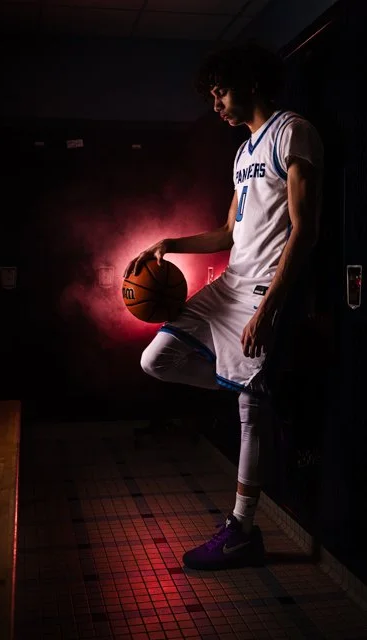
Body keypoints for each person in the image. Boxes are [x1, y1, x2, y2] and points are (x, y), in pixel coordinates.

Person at [124, 41, 323, 570]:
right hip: (230, 283)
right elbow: (226, 233)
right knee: (156, 360)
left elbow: (305, 232)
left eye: (221, 92)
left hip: (261, 291)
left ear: (249, 84)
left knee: (248, 414)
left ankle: (241, 530)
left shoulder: (293, 132)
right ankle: (248, 383)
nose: (216, 104)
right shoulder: (241, 153)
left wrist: (269, 307)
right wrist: (169, 243)